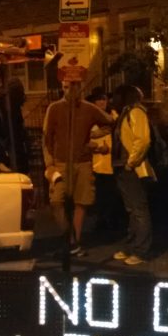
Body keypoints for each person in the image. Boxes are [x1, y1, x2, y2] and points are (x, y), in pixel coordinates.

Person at [43, 81, 113, 256]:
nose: (69, 90)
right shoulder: (55, 108)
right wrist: (49, 164)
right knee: (56, 201)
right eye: (66, 86)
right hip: (61, 162)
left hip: (83, 163)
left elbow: (110, 122)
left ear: (79, 87)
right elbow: (46, 138)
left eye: (72, 86)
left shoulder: (88, 108)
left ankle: (74, 244)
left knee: (81, 202)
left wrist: (92, 138)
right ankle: (71, 239)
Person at [109, 84, 153, 266]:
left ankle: (141, 249)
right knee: (132, 209)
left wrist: (130, 163)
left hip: (131, 168)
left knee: (138, 209)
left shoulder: (136, 112)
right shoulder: (125, 113)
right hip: (123, 166)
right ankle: (132, 245)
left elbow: (143, 140)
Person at [85, 88, 125, 239]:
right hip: (98, 163)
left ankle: (113, 222)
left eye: (104, 99)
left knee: (114, 194)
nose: (102, 102)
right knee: (101, 195)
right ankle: (102, 222)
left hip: (113, 162)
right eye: (99, 99)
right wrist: (97, 148)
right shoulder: (89, 117)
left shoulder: (114, 116)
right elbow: (85, 138)